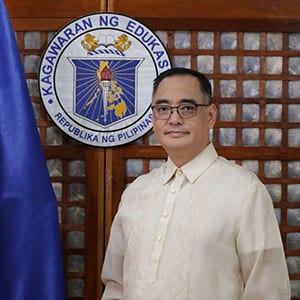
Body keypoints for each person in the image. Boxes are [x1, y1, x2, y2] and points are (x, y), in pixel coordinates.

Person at [101, 67, 291, 299]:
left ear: (210, 116)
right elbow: (115, 285)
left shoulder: (244, 191)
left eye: (187, 108)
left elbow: (268, 289)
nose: (174, 119)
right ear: (153, 118)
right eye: (163, 109)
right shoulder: (137, 191)